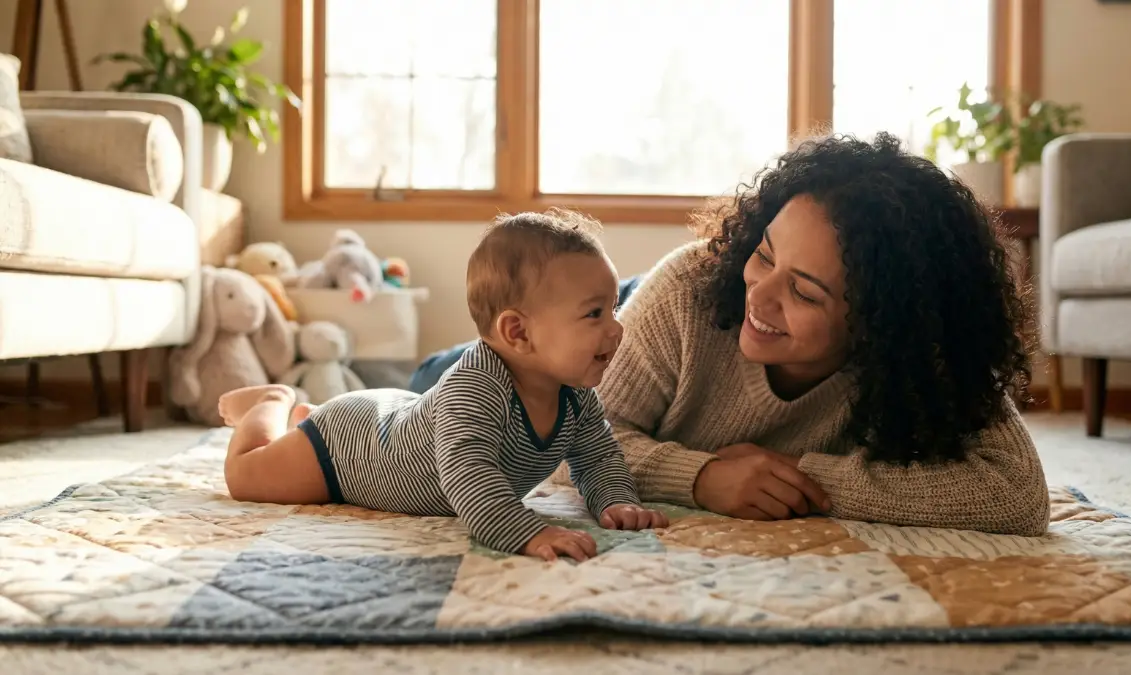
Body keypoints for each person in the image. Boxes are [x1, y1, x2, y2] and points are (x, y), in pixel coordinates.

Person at [414, 132, 1050, 537]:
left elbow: (1016, 496)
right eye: (765, 254)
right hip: (536, 359)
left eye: (805, 291)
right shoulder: (692, 289)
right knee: (417, 404)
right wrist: (701, 477)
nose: (762, 297)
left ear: (886, 325)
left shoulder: (923, 354)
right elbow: (569, 447)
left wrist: (801, 477)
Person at [217, 210, 668, 562]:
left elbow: (598, 456)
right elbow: (469, 475)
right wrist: (526, 530)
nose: (615, 329)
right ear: (518, 333)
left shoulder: (576, 396)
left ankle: (305, 416)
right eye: (595, 314)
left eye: (613, 309)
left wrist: (616, 502)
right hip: (348, 450)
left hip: (399, 417)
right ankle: (271, 402)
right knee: (247, 477)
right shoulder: (477, 387)